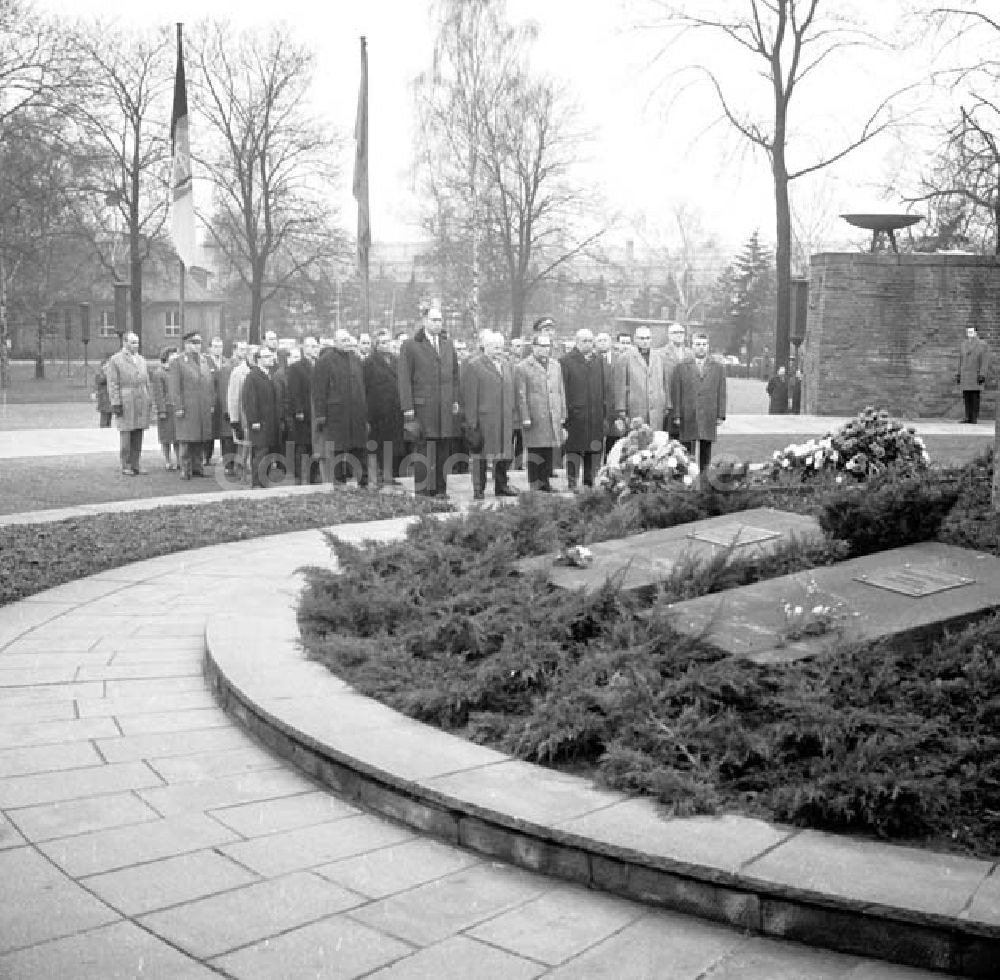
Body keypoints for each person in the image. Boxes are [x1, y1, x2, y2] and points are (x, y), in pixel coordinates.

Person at [398, 304, 462, 497]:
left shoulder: (447, 344)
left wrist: (455, 399)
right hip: (422, 408)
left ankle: (440, 489)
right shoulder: (411, 345)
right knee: (424, 451)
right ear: (424, 321)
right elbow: (404, 378)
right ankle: (423, 490)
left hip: (444, 408)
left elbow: (455, 375)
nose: (437, 324)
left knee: (443, 450)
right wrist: (407, 407)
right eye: (434, 320)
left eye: (440, 320)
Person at [462, 329, 518, 499]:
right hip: (485, 419)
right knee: (481, 455)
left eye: (500, 347)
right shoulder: (474, 365)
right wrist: (472, 423)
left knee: (504, 453)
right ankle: (478, 489)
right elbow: (470, 396)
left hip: (505, 417)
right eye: (494, 347)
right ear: (485, 347)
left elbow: (512, 390)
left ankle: (501, 485)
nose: (498, 351)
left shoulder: (508, 364)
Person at [314, 328, 369, 486]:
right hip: (336, 414)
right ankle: (339, 481)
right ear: (335, 342)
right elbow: (319, 390)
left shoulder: (355, 359)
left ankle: (363, 480)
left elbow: (361, 386)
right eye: (343, 340)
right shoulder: (325, 361)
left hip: (356, 414)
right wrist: (321, 414)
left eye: (348, 340)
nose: (347, 343)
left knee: (359, 447)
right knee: (338, 449)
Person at [515, 332, 567, 492]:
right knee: (535, 449)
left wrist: (562, 413)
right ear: (534, 347)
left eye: (547, 346)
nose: (545, 349)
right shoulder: (523, 367)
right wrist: (525, 416)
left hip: (552, 414)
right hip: (535, 416)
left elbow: (560, 390)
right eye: (541, 346)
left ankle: (545, 482)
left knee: (549, 449)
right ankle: (535, 484)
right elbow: (521, 394)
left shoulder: (555, 365)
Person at [670, 332, 727, 473]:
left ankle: (704, 479)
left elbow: (722, 392)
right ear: (692, 346)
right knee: (687, 451)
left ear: (708, 346)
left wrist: (720, 414)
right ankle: (687, 478)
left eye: (704, 345)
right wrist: (676, 414)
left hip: (708, 413)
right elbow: (676, 392)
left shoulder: (718, 367)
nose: (701, 348)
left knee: (706, 449)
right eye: (698, 344)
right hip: (688, 413)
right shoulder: (681, 366)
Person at [560, 328, 606, 489]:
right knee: (574, 449)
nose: (588, 344)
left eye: (590, 341)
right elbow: (563, 388)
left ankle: (589, 480)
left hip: (595, 414)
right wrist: (565, 413)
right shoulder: (566, 361)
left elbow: (603, 385)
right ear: (577, 341)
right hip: (575, 415)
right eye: (584, 341)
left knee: (593, 449)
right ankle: (572, 481)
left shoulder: (597, 360)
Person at [167, 330, 216, 480]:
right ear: (186, 344)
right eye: (194, 342)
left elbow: (210, 384)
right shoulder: (178, 362)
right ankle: (186, 469)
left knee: (200, 438)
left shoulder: (205, 360)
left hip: (202, 406)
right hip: (187, 407)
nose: (197, 346)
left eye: (199, 343)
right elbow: (174, 387)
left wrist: (211, 403)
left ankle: (198, 467)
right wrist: (178, 407)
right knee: (187, 440)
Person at [106, 331, 153, 475]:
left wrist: (149, 398)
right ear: (125, 343)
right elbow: (113, 383)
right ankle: (126, 465)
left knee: (138, 432)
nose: (136, 345)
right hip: (126, 399)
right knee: (126, 433)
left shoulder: (141, 359)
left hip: (141, 398)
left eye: (137, 342)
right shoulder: (115, 360)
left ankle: (136, 463)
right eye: (133, 342)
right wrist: (116, 402)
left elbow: (147, 381)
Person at [363, 329, 405, 486]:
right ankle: (375, 477)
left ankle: (388, 476)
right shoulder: (369, 362)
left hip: (394, 411)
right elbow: (365, 388)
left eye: (387, 341)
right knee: (376, 447)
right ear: (376, 345)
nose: (385, 345)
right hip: (376, 413)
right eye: (382, 342)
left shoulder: (396, 360)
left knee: (391, 446)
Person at [613, 326, 669, 432]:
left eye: (647, 338)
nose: (645, 341)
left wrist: (667, 404)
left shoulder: (660, 357)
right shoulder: (625, 357)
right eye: (641, 338)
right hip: (635, 406)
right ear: (635, 339)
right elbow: (620, 385)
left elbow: (665, 382)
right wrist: (621, 408)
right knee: (637, 439)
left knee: (655, 439)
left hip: (657, 405)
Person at [242, 346, 282, 488]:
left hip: (270, 422)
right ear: (258, 359)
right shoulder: (253, 376)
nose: (270, 359)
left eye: (271, 356)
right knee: (260, 452)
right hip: (260, 422)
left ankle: (263, 481)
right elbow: (249, 401)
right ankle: (257, 482)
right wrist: (254, 420)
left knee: (267, 452)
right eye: (266, 356)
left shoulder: (268, 375)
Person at [286, 335, 319, 484]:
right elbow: (294, 391)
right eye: (310, 346)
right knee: (303, 445)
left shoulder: (320, 365)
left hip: (317, 413)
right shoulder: (296, 367)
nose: (313, 349)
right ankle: (301, 476)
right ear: (304, 348)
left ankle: (313, 474)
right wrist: (298, 410)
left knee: (315, 445)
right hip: (304, 413)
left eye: (315, 346)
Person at [150, 346, 180, 470]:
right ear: (167, 357)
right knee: (166, 438)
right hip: (166, 409)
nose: (176, 357)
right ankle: (168, 460)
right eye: (174, 354)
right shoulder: (159, 373)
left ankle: (179, 460)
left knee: (178, 437)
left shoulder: (177, 371)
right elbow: (158, 393)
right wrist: (161, 410)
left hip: (176, 407)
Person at [661, 322, 692, 438]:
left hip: (686, 403)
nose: (679, 335)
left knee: (687, 440)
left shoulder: (691, 354)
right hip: (668, 402)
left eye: (681, 332)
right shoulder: (660, 354)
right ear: (669, 335)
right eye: (675, 332)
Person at [956, 326, 991, 423]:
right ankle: (967, 417)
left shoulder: (982, 344)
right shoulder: (963, 344)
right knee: (966, 396)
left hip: (975, 374)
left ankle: (974, 417)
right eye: (968, 332)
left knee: (974, 397)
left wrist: (982, 374)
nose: (969, 334)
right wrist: (958, 374)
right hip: (965, 375)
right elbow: (961, 360)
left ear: (976, 332)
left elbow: (985, 361)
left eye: (971, 332)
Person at [94, 354, 113, 428]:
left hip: (110, 401)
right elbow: (101, 380)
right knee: (104, 419)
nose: (107, 367)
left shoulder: (111, 374)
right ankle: (103, 432)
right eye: (106, 365)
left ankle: (108, 430)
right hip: (103, 400)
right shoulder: (100, 375)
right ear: (102, 366)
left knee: (109, 419)